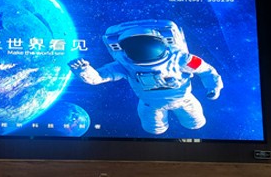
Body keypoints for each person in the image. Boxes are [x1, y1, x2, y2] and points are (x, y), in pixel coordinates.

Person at [69, 19, 223, 135]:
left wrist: (213, 87)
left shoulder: (181, 58)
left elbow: (206, 71)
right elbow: (98, 77)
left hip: (180, 100)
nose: (144, 52)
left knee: (195, 123)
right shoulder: (124, 64)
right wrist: (84, 70)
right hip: (151, 104)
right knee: (155, 130)